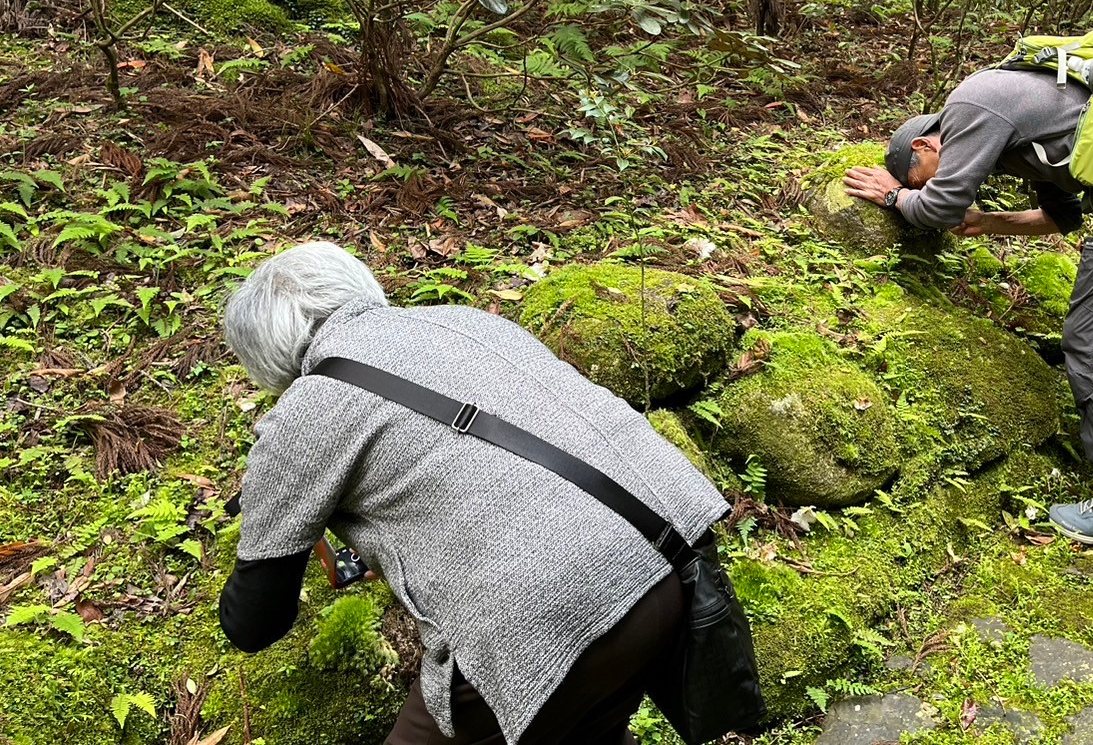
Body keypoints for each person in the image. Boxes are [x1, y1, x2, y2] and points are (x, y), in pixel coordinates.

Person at [218, 241, 729, 745]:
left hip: (550, 614)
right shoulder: (462, 321)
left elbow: (254, 622)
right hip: (675, 548)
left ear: (266, 360)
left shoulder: (308, 409)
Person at [842, 65, 1093, 548]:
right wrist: (986, 221)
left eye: (921, 180)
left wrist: (896, 197)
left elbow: (939, 209)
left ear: (924, 146)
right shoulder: (1027, 125)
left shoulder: (969, 108)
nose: (929, 186)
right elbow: (1063, 217)